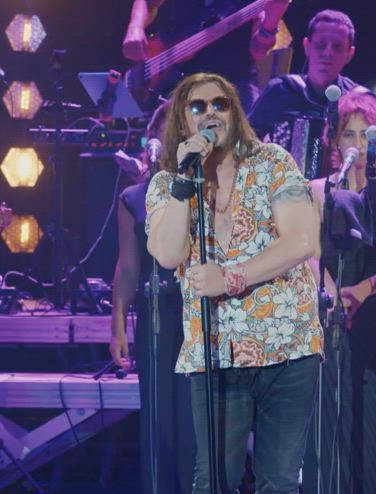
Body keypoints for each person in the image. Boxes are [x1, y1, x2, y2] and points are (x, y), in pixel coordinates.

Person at [145, 72, 323, 493]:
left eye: (220, 104)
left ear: (234, 112)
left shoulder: (273, 162)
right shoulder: (168, 185)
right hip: (216, 352)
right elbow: (168, 254)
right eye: (198, 107)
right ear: (182, 120)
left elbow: (303, 241)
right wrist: (185, 180)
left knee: (279, 483)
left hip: (288, 347)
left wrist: (229, 278)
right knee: (214, 482)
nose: (210, 113)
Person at [302, 90, 376, 492]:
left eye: (365, 135)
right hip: (329, 314)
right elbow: (308, 252)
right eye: (348, 134)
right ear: (334, 140)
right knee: (331, 420)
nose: (356, 143)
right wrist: (332, 292)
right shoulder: (317, 190)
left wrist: (364, 289)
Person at [108, 101, 195, 494]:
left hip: (199, 318)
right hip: (155, 315)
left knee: (194, 427)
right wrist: (117, 324)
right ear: (152, 141)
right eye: (164, 132)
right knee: (158, 426)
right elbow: (128, 267)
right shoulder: (134, 197)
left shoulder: (207, 193)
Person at [122, 0, 291, 110]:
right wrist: (135, 27)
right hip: (178, 82)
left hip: (235, 86)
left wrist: (271, 22)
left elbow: (259, 51)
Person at [249, 9, 360, 146]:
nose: (328, 53)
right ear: (307, 46)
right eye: (321, 44)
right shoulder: (279, 90)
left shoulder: (359, 102)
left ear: (349, 54)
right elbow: (245, 142)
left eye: (338, 47)